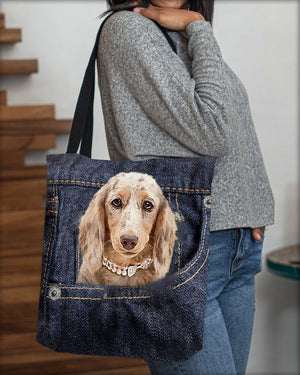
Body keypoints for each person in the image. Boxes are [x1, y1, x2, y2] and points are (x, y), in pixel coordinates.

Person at [97, 1, 275, 374]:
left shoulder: (176, 31)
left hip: (235, 249)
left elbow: (234, 123)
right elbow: (213, 130)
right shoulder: (129, 30)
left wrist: (249, 210)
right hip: (181, 253)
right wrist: (199, 26)